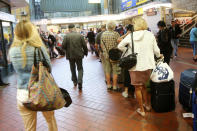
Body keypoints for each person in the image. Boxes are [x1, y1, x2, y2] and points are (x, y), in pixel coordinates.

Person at [9, 20, 57, 131]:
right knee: (50, 121)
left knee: (29, 128)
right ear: (32, 32)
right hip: (42, 91)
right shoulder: (38, 48)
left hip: (23, 93)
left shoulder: (12, 50)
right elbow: (49, 68)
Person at [118, 17, 162, 117]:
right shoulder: (150, 34)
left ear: (135, 25)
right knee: (144, 86)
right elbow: (156, 50)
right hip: (148, 65)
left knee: (137, 88)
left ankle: (141, 110)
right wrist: (159, 56)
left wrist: (129, 51)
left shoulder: (131, 35)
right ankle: (147, 105)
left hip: (135, 65)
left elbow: (120, 46)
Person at [62, 24, 88, 90]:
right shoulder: (80, 35)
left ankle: (74, 81)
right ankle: (80, 81)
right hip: (79, 54)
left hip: (70, 55)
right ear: (74, 28)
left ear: (69, 29)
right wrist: (86, 52)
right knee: (80, 68)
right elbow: (84, 46)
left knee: (72, 68)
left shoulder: (66, 36)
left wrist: (67, 49)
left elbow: (63, 46)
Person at [101, 21, 120, 91]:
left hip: (106, 55)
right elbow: (119, 43)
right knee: (115, 70)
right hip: (114, 55)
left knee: (107, 70)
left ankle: (108, 85)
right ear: (114, 26)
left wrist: (106, 53)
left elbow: (102, 45)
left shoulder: (103, 34)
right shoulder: (116, 34)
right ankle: (115, 86)